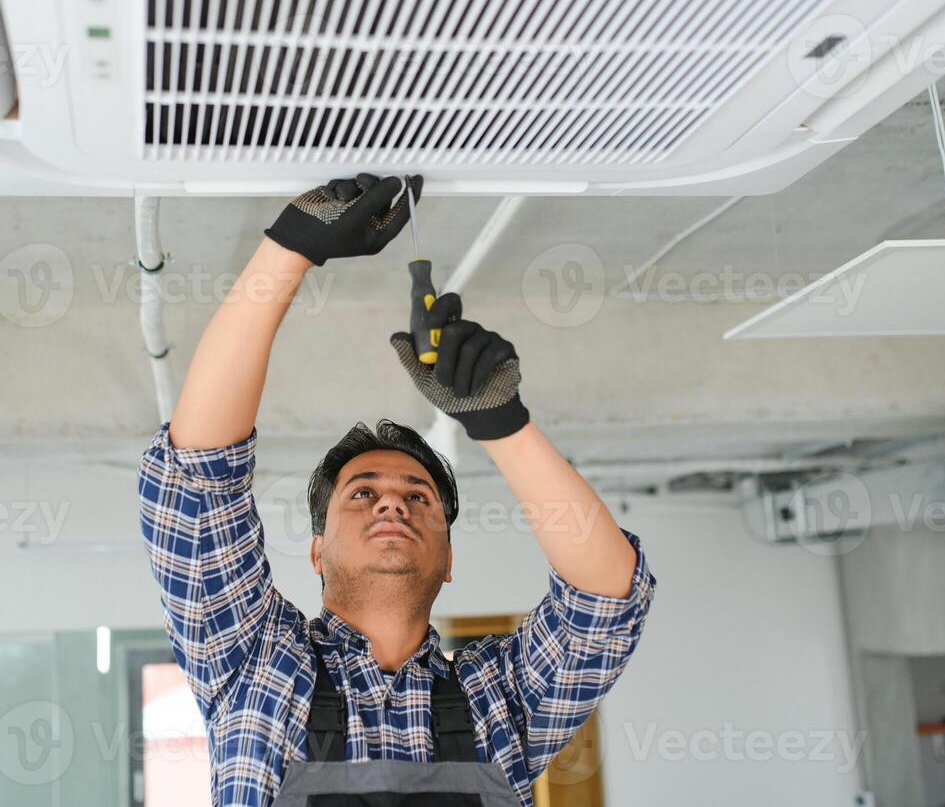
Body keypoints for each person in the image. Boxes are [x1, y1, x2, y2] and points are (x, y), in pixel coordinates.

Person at [138, 173, 655, 807]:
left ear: (449, 559)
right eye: (360, 493)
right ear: (318, 552)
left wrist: (501, 423)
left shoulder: (501, 696)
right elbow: (197, 480)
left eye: (419, 497)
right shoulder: (253, 665)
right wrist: (290, 247)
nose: (392, 502)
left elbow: (605, 599)